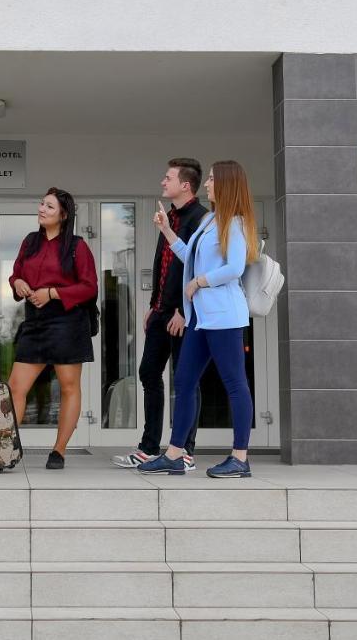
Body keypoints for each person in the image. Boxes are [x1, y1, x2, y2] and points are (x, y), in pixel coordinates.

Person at [138, 160, 259, 478]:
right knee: (185, 381)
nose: (207, 184)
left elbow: (234, 268)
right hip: (202, 319)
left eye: (212, 179)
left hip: (225, 317)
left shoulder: (235, 222)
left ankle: (240, 458)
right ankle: (175, 454)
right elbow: (186, 254)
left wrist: (198, 282)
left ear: (227, 184)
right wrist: (165, 228)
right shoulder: (211, 222)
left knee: (235, 384)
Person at [113, 158, 207, 471]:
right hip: (160, 311)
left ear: (185, 185)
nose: (162, 182)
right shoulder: (168, 217)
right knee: (148, 373)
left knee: (186, 381)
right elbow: (164, 265)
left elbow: (195, 265)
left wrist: (182, 310)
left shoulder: (201, 219)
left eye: (168, 178)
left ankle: (185, 450)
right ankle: (149, 448)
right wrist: (154, 306)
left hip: (184, 313)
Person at [8, 188, 99, 469]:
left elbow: (89, 287)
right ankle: (6, 447)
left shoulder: (77, 246)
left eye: (49, 206)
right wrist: (17, 283)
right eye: (41, 204)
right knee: (15, 387)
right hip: (34, 321)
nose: (42, 209)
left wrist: (52, 293)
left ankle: (58, 451)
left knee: (69, 387)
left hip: (67, 322)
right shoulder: (30, 242)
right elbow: (16, 273)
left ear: (63, 214)